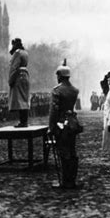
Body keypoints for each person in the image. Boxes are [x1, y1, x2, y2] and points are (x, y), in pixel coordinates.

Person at [47, 59, 80, 189]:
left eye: (58, 75)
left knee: (63, 152)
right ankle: (72, 179)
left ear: (60, 76)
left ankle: (66, 181)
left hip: (61, 124)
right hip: (73, 123)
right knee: (72, 151)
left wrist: (51, 127)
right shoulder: (74, 90)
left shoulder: (57, 91)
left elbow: (53, 111)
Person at [8, 38, 30, 127]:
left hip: (18, 76)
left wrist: (11, 80)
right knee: (24, 99)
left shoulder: (17, 53)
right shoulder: (25, 53)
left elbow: (14, 67)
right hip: (25, 75)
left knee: (20, 100)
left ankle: (23, 122)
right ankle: (24, 121)